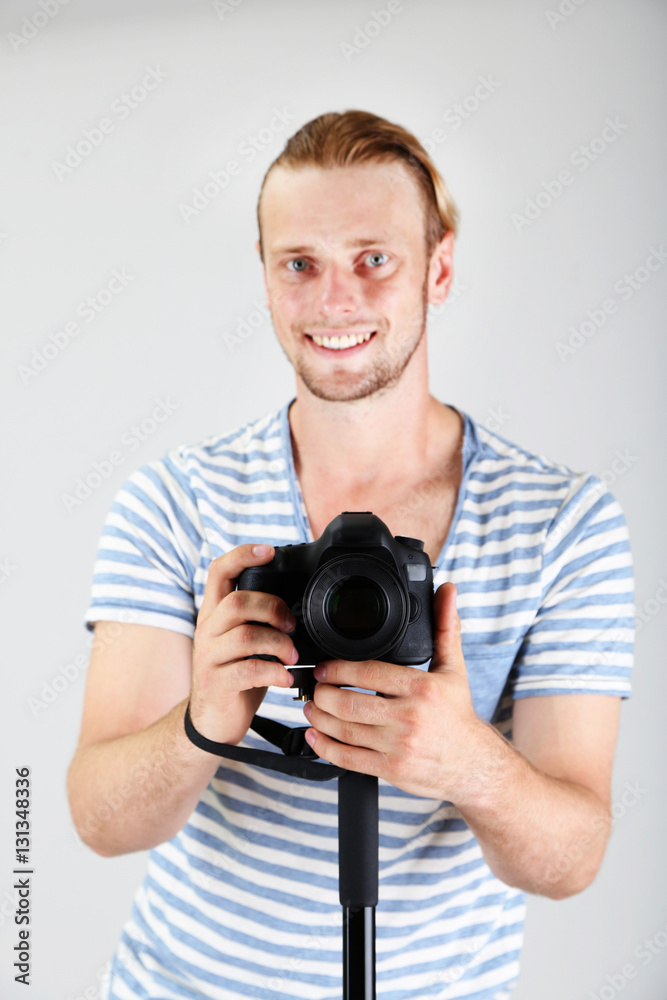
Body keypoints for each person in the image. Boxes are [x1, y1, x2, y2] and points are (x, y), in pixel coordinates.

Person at [67, 109, 635, 1000]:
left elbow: (569, 861)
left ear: (437, 269)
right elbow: (101, 821)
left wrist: (464, 761)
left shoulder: (562, 521)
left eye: (373, 258)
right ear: (263, 279)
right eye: (300, 264)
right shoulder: (175, 501)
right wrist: (205, 716)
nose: (334, 301)